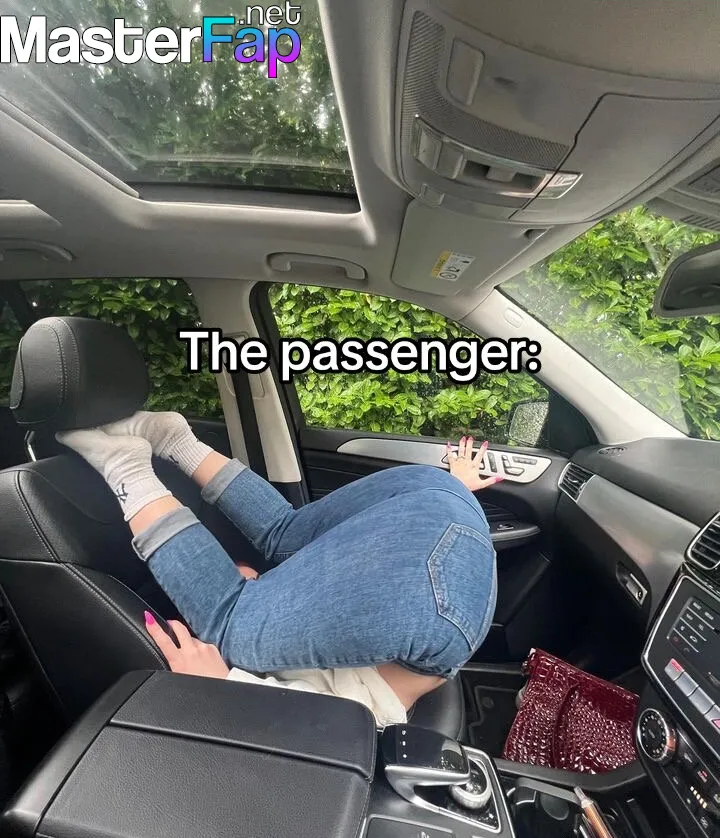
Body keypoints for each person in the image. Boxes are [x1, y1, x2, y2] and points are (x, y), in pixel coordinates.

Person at [58, 413, 500, 726]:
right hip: (428, 615)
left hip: (444, 499)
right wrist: (223, 681)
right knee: (229, 621)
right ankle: (125, 465)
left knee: (287, 531)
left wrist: (455, 486)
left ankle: (176, 439)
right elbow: (313, 719)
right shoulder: (362, 729)